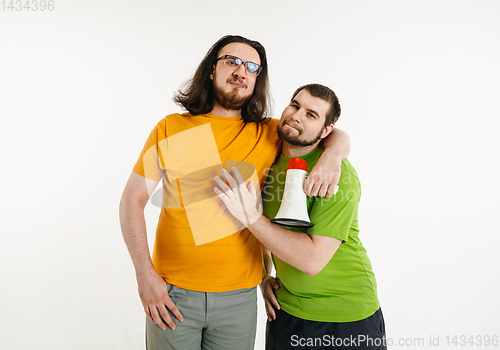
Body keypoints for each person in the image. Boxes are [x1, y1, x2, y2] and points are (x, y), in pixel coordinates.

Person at [119, 35, 350, 350]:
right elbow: (132, 200)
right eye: (232, 61)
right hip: (171, 294)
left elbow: (331, 131)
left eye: (252, 67)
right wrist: (144, 277)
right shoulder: (170, 128)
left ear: (257, 80)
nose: (241, 71)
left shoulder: (270, 132)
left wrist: (333, 156)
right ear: (212, 70)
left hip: (239, 298)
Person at [214, 84, 386, 350]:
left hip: (346, 318)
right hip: (287, 311)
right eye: (295, 105)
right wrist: (263, 275)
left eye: (311, 115)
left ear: (325, 131)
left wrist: (250, 216)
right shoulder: (268, 151)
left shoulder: (336, 177)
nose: (297, 116)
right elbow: (271, 232)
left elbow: (312, 260)